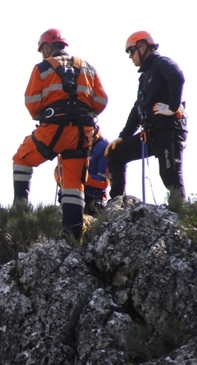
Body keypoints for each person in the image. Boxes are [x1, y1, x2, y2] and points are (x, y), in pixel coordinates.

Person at [11, 28, 109, 240]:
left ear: (46, 48)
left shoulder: (42, 68)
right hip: (83, 132)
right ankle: (72, 236)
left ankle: (18, 214)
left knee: (21, 160)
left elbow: (32, 104)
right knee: (74, 184)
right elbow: (101, 101)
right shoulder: (88, 68)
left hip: (54, 129)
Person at [105, 31, 187, 209]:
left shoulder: (161, 63)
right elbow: (138, 108)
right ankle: (117, 203)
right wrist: (123, 136)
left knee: (170, 174)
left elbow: (177, 77)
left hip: (168, 131)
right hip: (152, 133)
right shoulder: (145, 76)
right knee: (116, 154)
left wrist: (172, 107)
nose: (130, 57)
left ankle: (182, 215)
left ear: (142, 47)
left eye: (131, 51)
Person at [57, 125, 110, 216]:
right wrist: (61, 178)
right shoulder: (71, 142)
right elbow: (59, 171)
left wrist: (82, 178)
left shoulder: (103, 147)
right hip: (67, 194)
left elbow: (104, 181)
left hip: (91, 198)